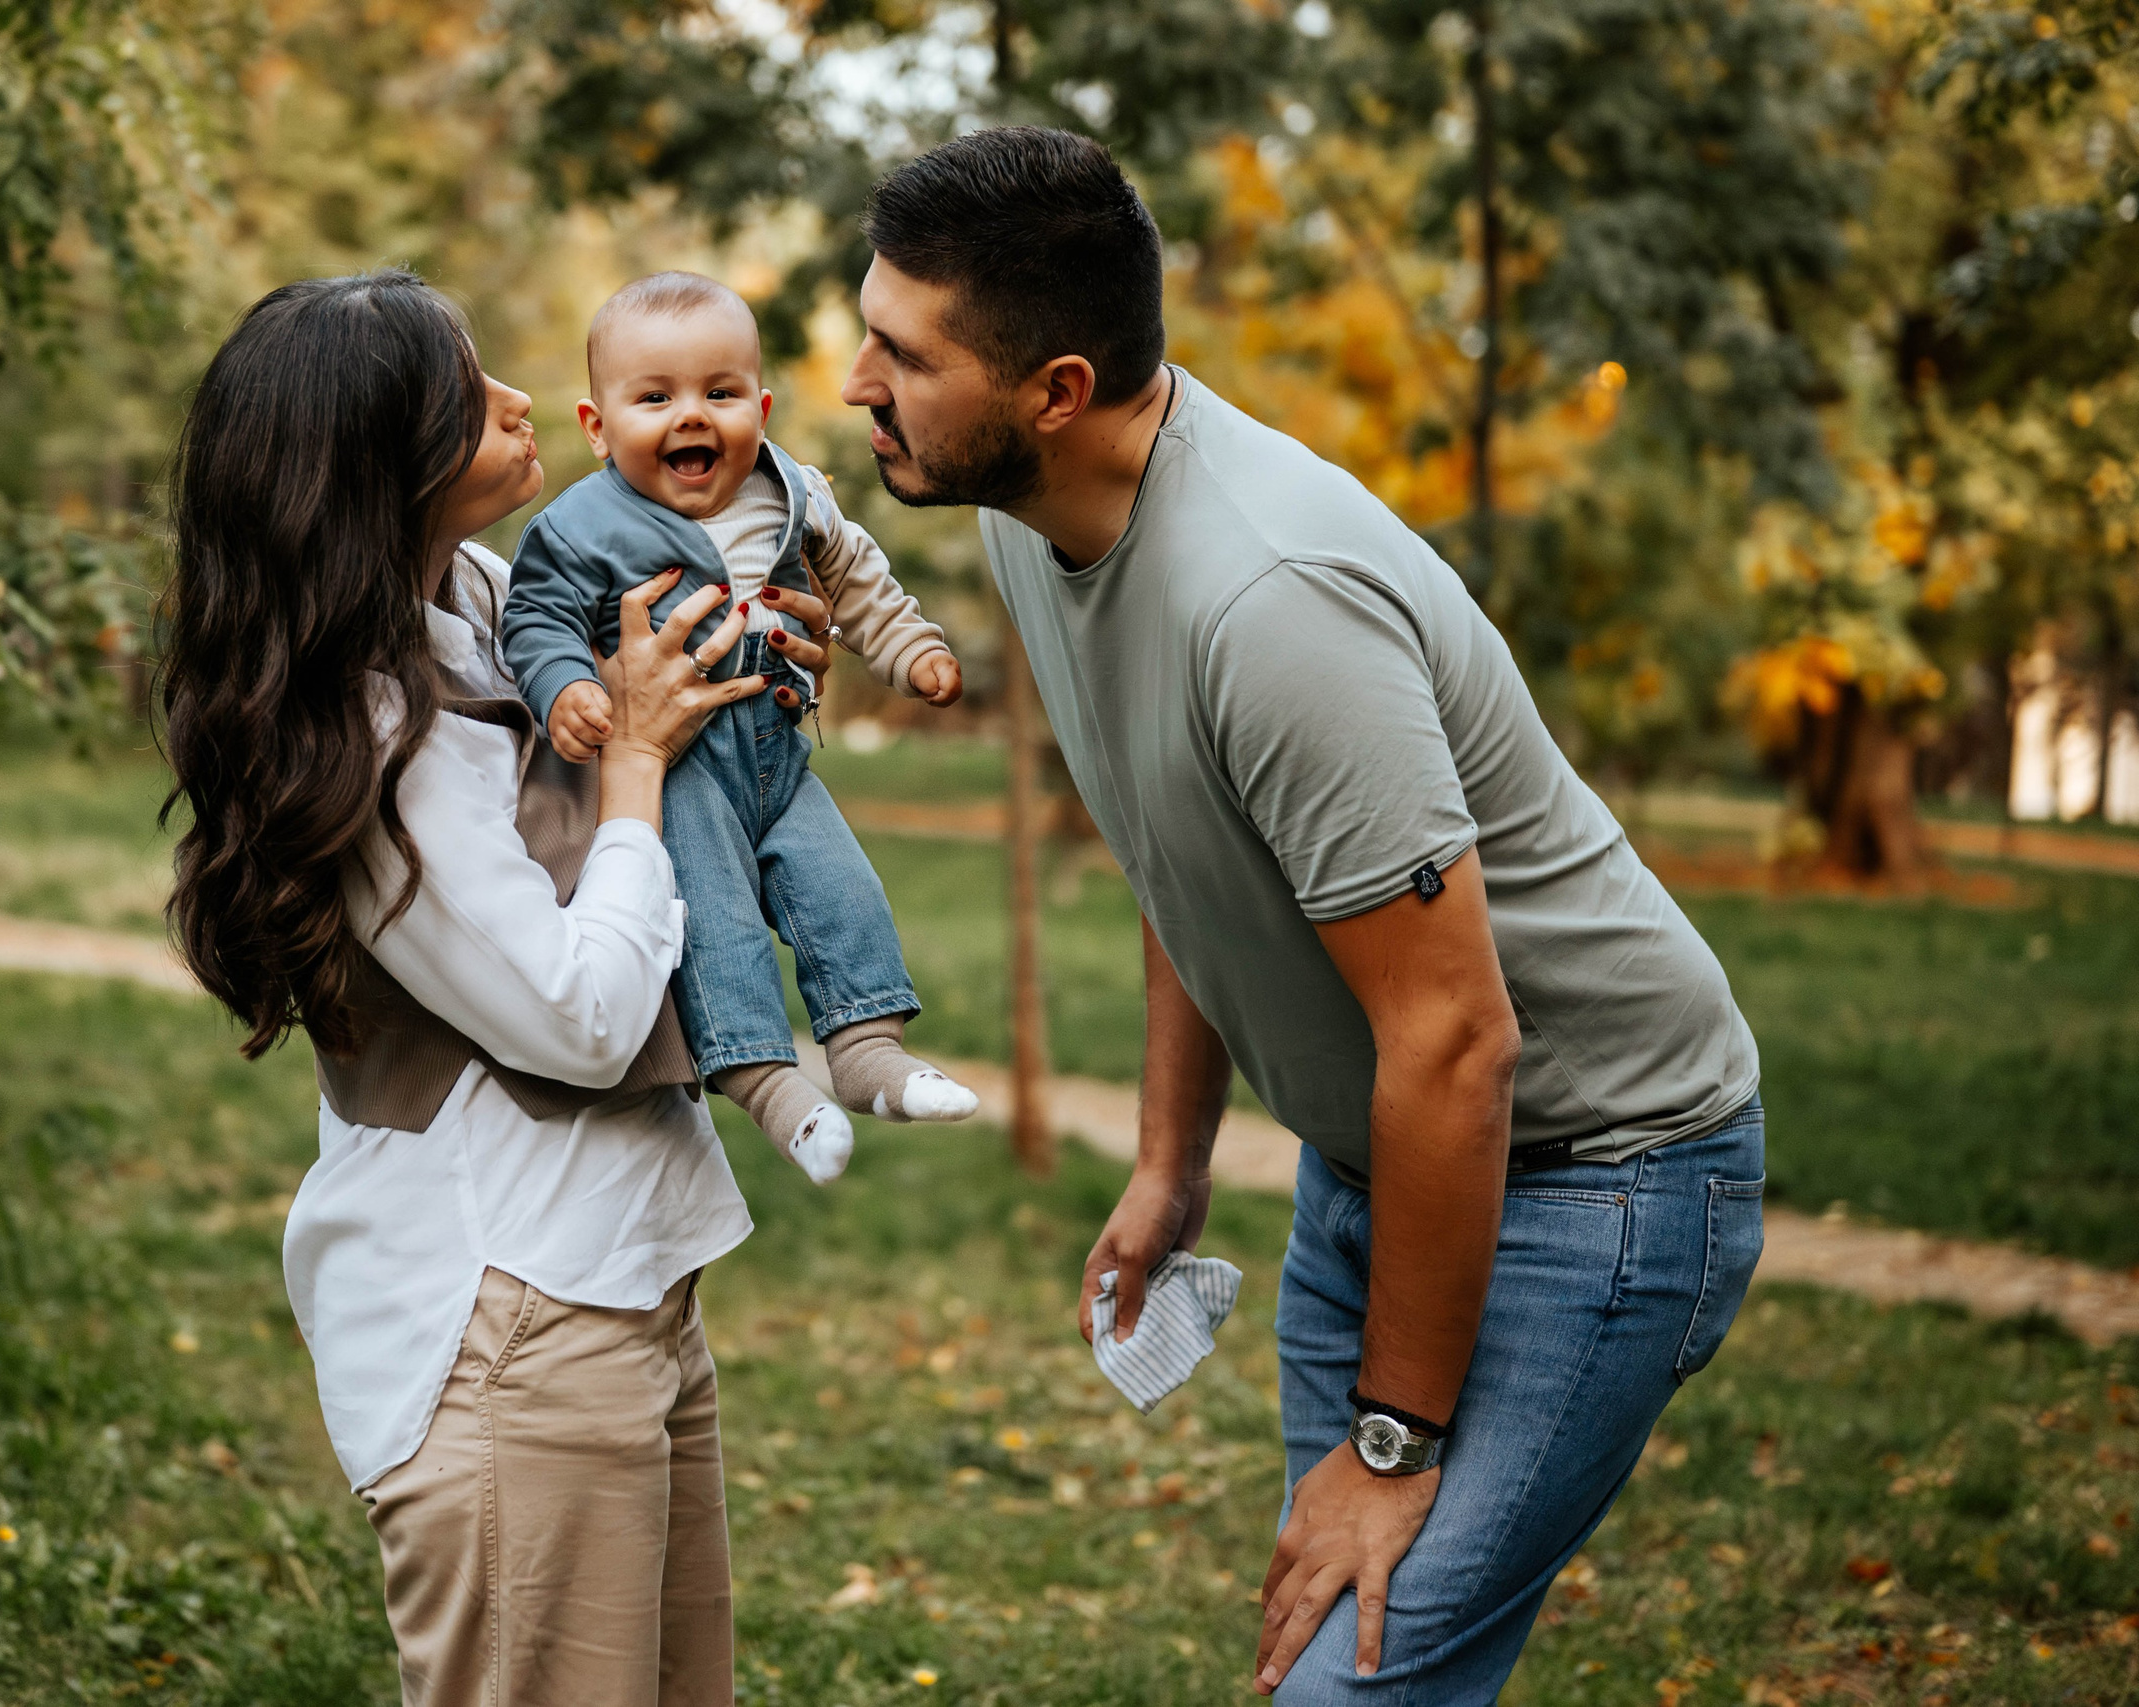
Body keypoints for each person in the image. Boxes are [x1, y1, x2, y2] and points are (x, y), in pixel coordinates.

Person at [840, 129, 1767, 1702]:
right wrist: (1170, 1157)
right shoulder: (1029, 520)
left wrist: (1393, 1438)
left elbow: (1460, 1037)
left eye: (900, 354)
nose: (855, 381)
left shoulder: (1270, 605)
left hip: (1595, 1178)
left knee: (1357, 1677)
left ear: (1056, 390)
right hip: (1383, 1171)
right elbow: (1176, 847)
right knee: (1320, 1665)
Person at [157, 268, 834, 1706]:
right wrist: (639, 754)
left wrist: (751, 666)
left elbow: (651, 711)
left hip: (626, 1278)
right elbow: (584, 1022)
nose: (519, 403)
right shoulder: (375, 739)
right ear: (380, 465)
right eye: (466, 394)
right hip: (514, 1319)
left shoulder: (478, 597)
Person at [502, 270, 979, 1185]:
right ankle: (770, 1085)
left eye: (720, 393)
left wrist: (908, 646)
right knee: (712, 917)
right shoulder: (579, 527)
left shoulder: (790, 490)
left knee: (841, 888)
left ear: (759, 408)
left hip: (777, 751)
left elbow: (853, 575)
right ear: (598, 427)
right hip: (678, 765)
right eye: (655, 397)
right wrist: (566, 687)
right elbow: (537, 618)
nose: (693, 416)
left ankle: (872, 1052)